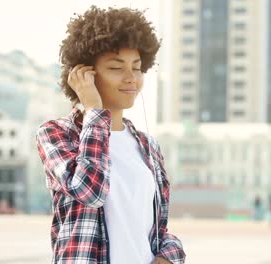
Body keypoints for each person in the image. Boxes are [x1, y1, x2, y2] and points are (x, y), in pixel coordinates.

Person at [35, 6, 185, 264]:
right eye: (116, 68)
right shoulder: (57, 133)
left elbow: (159, 230)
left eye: (137, 68)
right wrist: (94, 109)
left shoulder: (148, 146)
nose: (131, 79)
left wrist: (171, 256)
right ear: (84, 75)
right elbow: (89, 191)